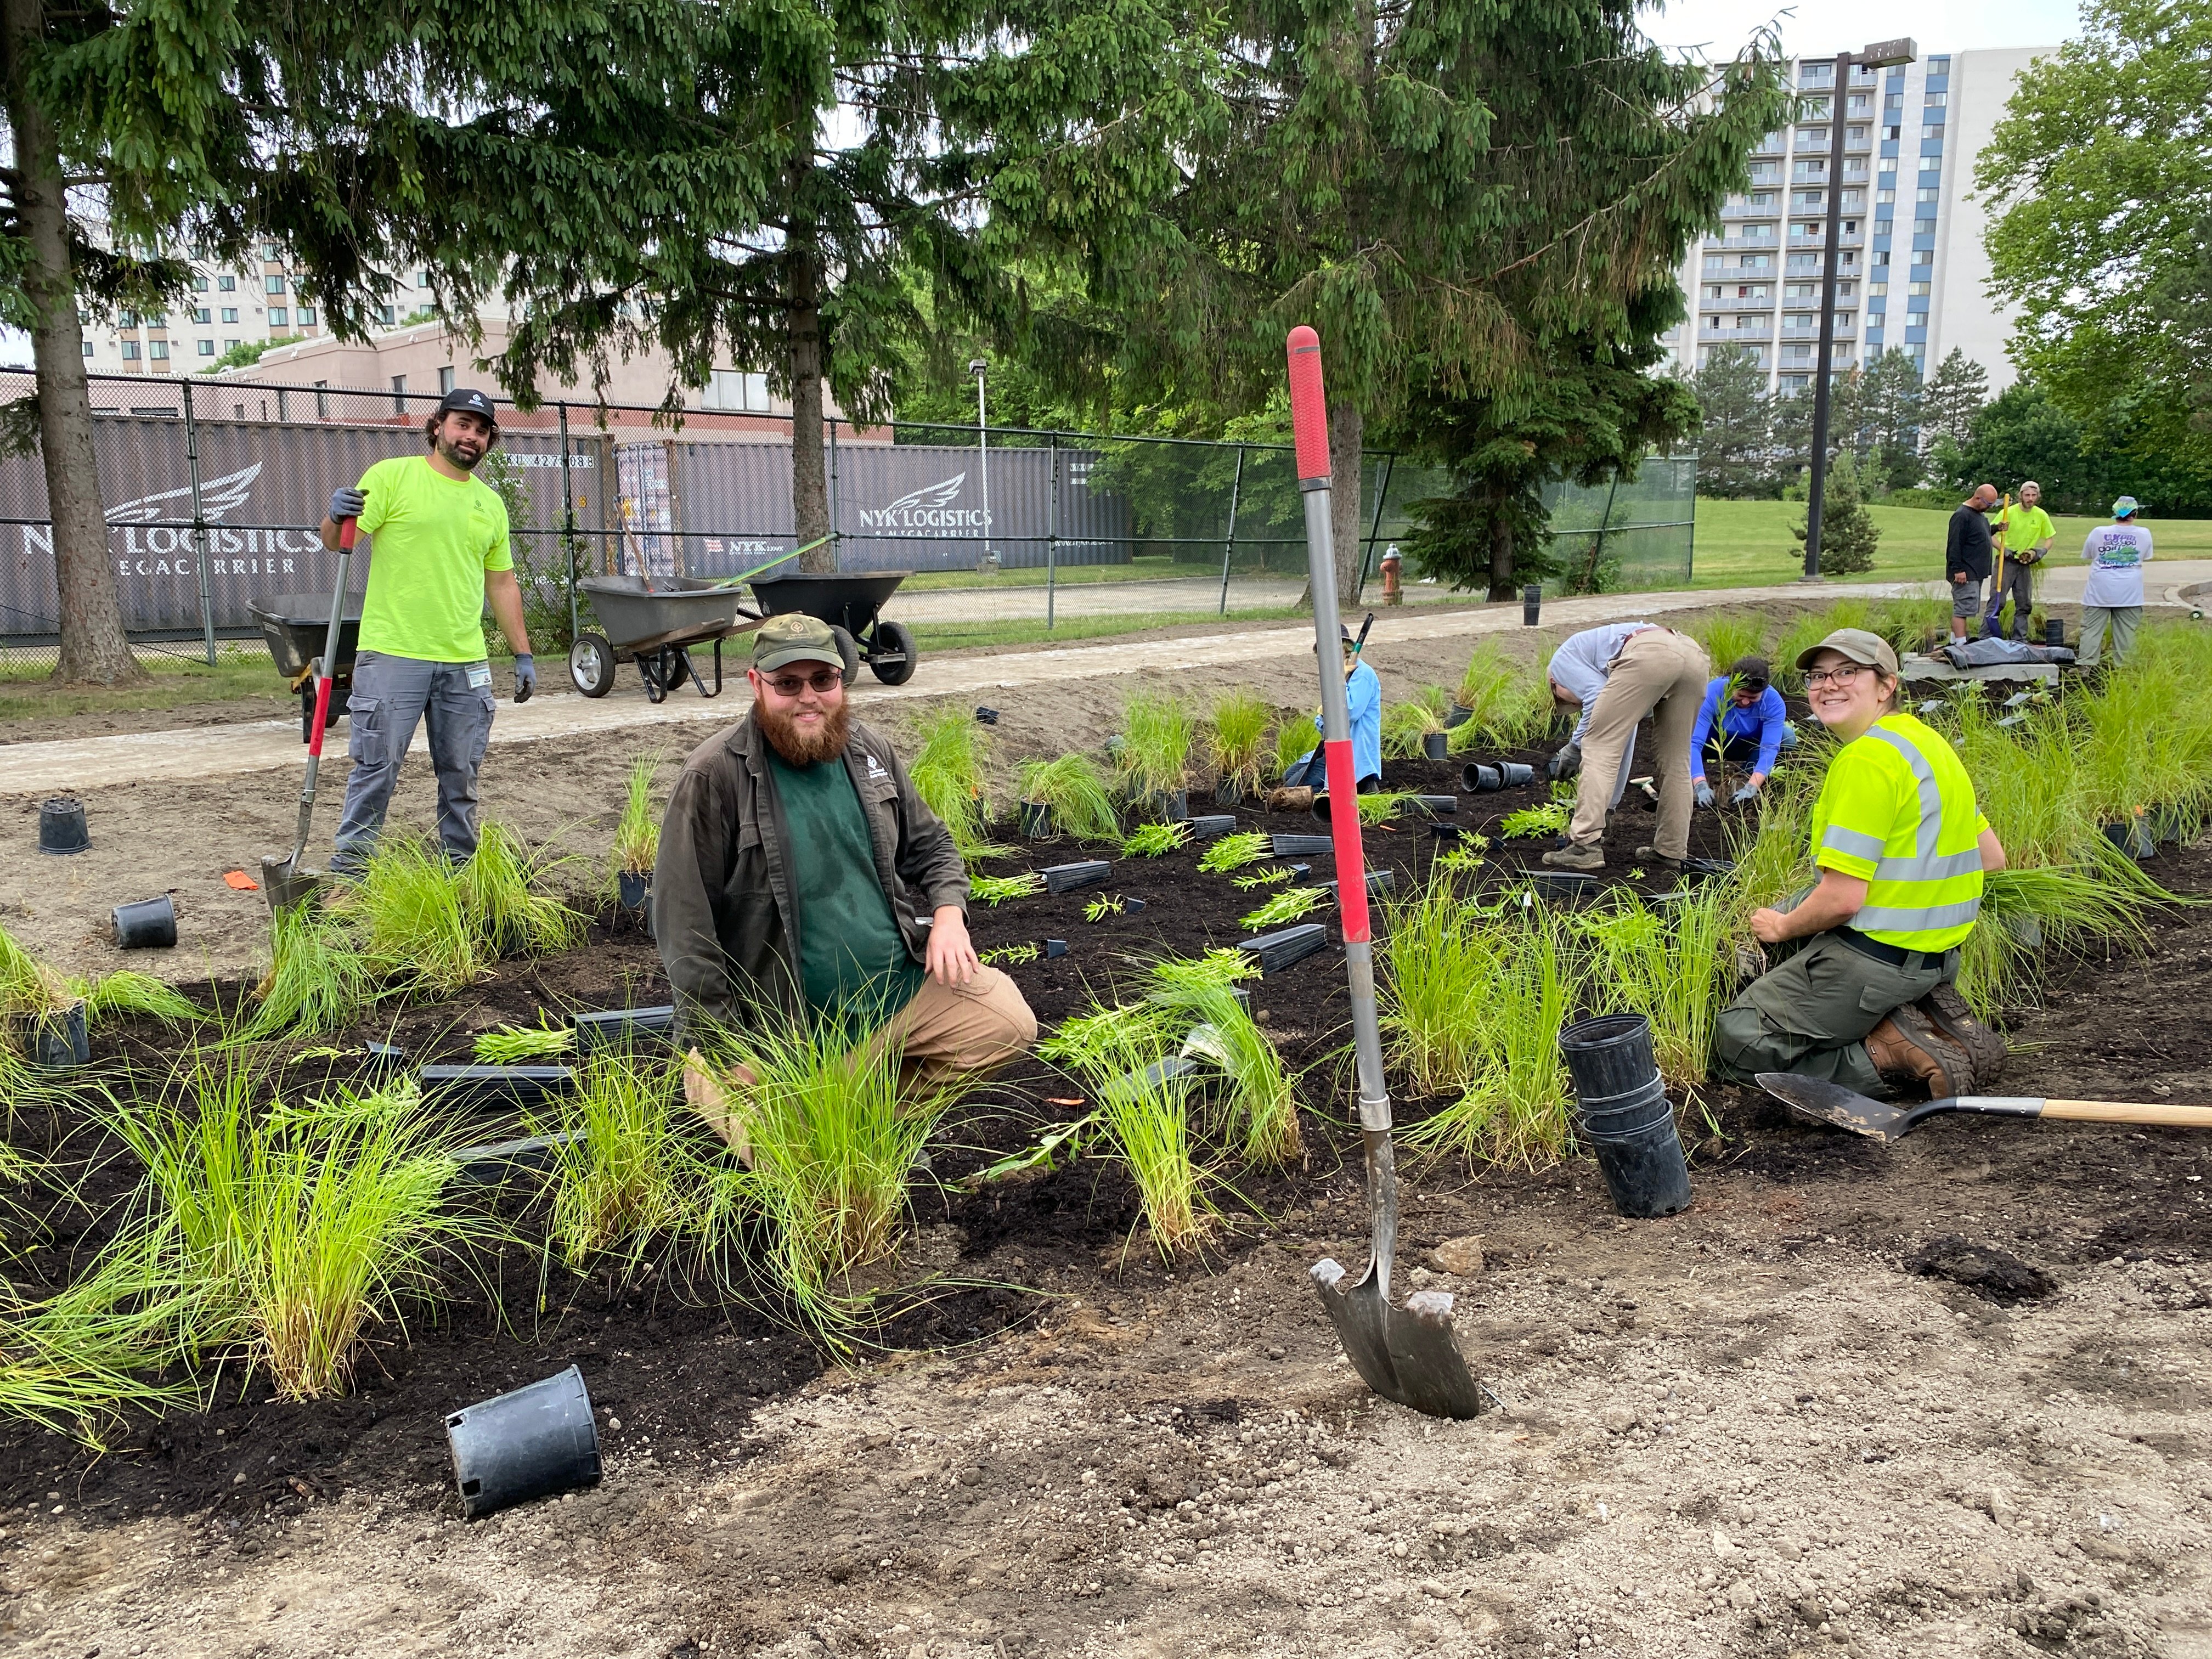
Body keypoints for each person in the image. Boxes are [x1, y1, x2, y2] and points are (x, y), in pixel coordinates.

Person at [655, 614, 1037, 1142]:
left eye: (823, 680)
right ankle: (814, 1120)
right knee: (793, 1165)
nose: (808, 697)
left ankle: (866, 1123)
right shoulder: (714, 777)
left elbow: (933, 846)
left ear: (842, 680)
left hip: (891, 993)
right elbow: (685, 931)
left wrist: (949, 915)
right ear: (756, 684)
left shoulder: (867, 750)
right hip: (782, 1027)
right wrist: (725, 1050)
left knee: (1006, 1023)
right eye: (787, 683)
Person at [1712, 628, 2008, 1098]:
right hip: (1939, 959)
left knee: (1736, 1042)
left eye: (1847, 672)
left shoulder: (1866, 761)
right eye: (1818, 676)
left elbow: (1844, 899)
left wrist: (1782, 927)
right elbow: (1991, 857)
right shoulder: (1926, 744)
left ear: (1886, 685)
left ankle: (1887, 1053)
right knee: (1801, 907)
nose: (1828, 685)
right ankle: (1923, 1020)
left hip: (1875, 962)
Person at [323, 386, 534, 874]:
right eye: (462, 424)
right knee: (377, 771)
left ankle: (458, 869)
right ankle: (350, 875)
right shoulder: (393, 478)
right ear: (437, 426)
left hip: (465, 661)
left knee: (462, 775)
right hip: (394, 654)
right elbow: (337, 542)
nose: (471, 437)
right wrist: (335, 516)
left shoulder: (489, 504)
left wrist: (522, 653)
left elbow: (501, 583)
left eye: (482, 431)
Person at [1539, 622, 1709, 872]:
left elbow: (1595, 698)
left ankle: (1584, 847)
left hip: (1652, 655)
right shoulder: (1598, 657)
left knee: (1597, 748)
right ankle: (1670, 850)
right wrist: (1609, 807)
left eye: (1566, 701)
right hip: (1692, 655)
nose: (1574, 704)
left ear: (1555, 683)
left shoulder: (1561, 663)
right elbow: (1624, 734)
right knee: (1676, 760)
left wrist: (1575, 747)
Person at [1281, 624, 1381, 792]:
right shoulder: (1336, 675)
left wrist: (1340, 681)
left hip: (1352, 755)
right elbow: (1324, 724)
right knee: (1287, 777)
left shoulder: (1363, 675)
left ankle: (1344, 792)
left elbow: (1349, 713)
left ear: (1344, 649)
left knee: (1293, 788)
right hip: (1329, 751)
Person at [1686, 655, 1797, 807]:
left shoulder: (1773, 702)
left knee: (1787, 737)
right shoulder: (1713, 692)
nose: (1745, 702)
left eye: (1753, 698)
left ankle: (1744, 779)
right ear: (1731, 684)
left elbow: (1769, 748)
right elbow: (1694, 743)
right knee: (1679, 736)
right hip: (1711, 745)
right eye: (1741, 695)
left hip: (1748, 747)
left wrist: (1752, 786)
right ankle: (1687, 781)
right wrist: (1700, 785)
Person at [2078, 495, 2153, 671]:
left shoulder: (2098, 532)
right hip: (2130, 593)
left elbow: (2089, 554)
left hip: (2099, 591)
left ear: (2115, 512)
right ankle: (2124, 669)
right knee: (2126, 633)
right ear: (2135, 513)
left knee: (2091, 630)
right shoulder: (2144, 533)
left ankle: (2085, 667)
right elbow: (2145, 556)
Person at [1982, 481, 2055, 642]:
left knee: (2024, 603)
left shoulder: (2041, 515)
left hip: (2025, 563)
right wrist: (2003, 550)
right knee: (1998, 601)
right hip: (2005, 562)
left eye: (2033, 495)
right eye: (2027, 495)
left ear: (2038, 497)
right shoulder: (2008, 512)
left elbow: (2050, 538)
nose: (2030, 498)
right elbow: (1990, 534)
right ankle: (1985, 637)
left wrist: (2042, 551)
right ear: (2020, 495)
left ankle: (2019, 639)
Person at [1945, 483, 1999, 642]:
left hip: (1976, 572)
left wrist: (1996, 528)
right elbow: (1954, 544)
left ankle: (1955, 641)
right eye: (1988, 504)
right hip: (1965, 572)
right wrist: (1958, 569)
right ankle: (1961, 645)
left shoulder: (1979, 514)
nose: (1989, 508)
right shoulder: (1962, 516)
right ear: (1977, 498)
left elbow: (1980, 533)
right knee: (1962, 609)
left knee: (1966, 608)